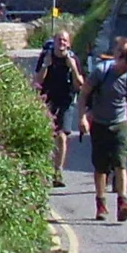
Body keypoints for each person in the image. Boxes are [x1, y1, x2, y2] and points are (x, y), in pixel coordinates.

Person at [81, 38, 127, 221]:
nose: (125, 71)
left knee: (120, 163)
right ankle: (101, 204)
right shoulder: (102, 71)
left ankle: (123, 203)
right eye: (124, 67)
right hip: (99, 123)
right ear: (119, 58)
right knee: (101, 167)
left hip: (120, 123)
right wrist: (82, 117)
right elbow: (84, 93)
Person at [34, 32, 86, 187]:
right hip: (46, 100)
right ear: (54, 42)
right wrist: (46, 66)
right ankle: (44, 170)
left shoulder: (73, 59)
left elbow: (80, 85)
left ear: (68, 44)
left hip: (66, 101)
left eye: (64, 40)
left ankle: (57, 172)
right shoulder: (46, 57)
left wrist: (73, 68)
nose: (61, 43)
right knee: (47, 136)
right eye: (59, 40)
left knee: (62, 136)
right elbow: (37, 82)